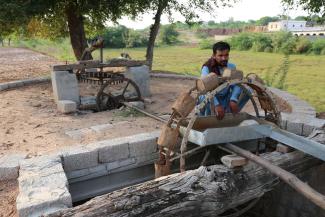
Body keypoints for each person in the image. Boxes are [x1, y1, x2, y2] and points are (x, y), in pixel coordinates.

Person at [199, 41, 249, 119]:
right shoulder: (207, 68)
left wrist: (233, 99)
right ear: (214, 56)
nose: (224, 58)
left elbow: (237, 84)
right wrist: (216, 104)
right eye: (220, 55)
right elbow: (204, 89)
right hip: (212, 98)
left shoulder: (231, 66)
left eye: (226, 55)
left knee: (248, 90)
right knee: (203, 96)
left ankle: (230, 115)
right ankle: (210, 118)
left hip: (226, 97)